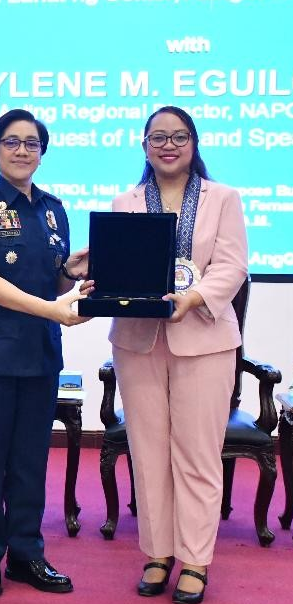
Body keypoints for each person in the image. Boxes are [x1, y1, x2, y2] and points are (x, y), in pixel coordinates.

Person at [107, 106, 247, 604]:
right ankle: (157, 553)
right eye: (159, 137)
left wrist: (193, 298)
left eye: (179, 136)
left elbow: (232, 265)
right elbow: (120, 266)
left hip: (204, 339)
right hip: (137, 341)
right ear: (144, 145)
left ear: (194, 143)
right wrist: (95, 268)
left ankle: (196, 561)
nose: (169, 145)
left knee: (197, 454)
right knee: (147, 454)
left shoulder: (222, 198)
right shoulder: (125, 202)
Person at [0, 108, 89, 598]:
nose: (22, 151)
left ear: (42, 154)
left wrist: (70, 274)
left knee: (30, 463)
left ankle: (27, 555)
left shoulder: (53, 210)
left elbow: (51, 283)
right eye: (12, 142)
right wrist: (53, 310)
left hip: (38, 356)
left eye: (32, 143)